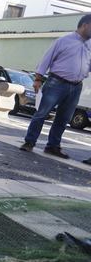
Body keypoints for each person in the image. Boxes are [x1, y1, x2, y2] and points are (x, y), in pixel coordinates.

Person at [20, 14, 91, 158]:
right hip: (56, 83)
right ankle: (29, 142)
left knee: (64, 118)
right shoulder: (64, 40)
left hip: (76, 86)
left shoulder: (90, 45)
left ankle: (52, 146)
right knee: (42, 114)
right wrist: (38, 79)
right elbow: (46, 59)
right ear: (86, 25)